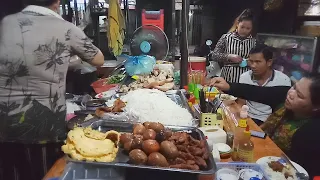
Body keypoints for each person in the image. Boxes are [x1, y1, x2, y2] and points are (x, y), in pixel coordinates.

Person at [0, 0, 104, 179]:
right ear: (57, 2)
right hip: (44, 123)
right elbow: (98, 59)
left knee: (12, 172)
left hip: (5, 120)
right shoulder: (66, 28)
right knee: (45, 173)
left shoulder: (6, 22)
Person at [210, 76, 320, 178]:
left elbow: (300, 172)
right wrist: (228, 86)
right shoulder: (285, 99)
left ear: (316, 107)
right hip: (262, 154)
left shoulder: (311, 133)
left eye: (299, 95)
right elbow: (258, 92)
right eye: (294, 87)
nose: (291, 93)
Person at [239, 44, 291, 125]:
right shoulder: (244, 77)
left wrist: (267, 126)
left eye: (258, 62)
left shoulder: (283, 80)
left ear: (269, 62)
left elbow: (281, 111)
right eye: (251, 61)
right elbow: (241, 104)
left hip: (271, 121)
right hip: (248, 118)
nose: (253, 66)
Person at [210, 9, 256, 83]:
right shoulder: (226, 37)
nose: (244, 30)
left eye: (248, 28)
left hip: (247, 79)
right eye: (242, 27)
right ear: (237, 24)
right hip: (227, 77)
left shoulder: (254, 42)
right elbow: (214, 55)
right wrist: (229, 56)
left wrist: (251, 62)